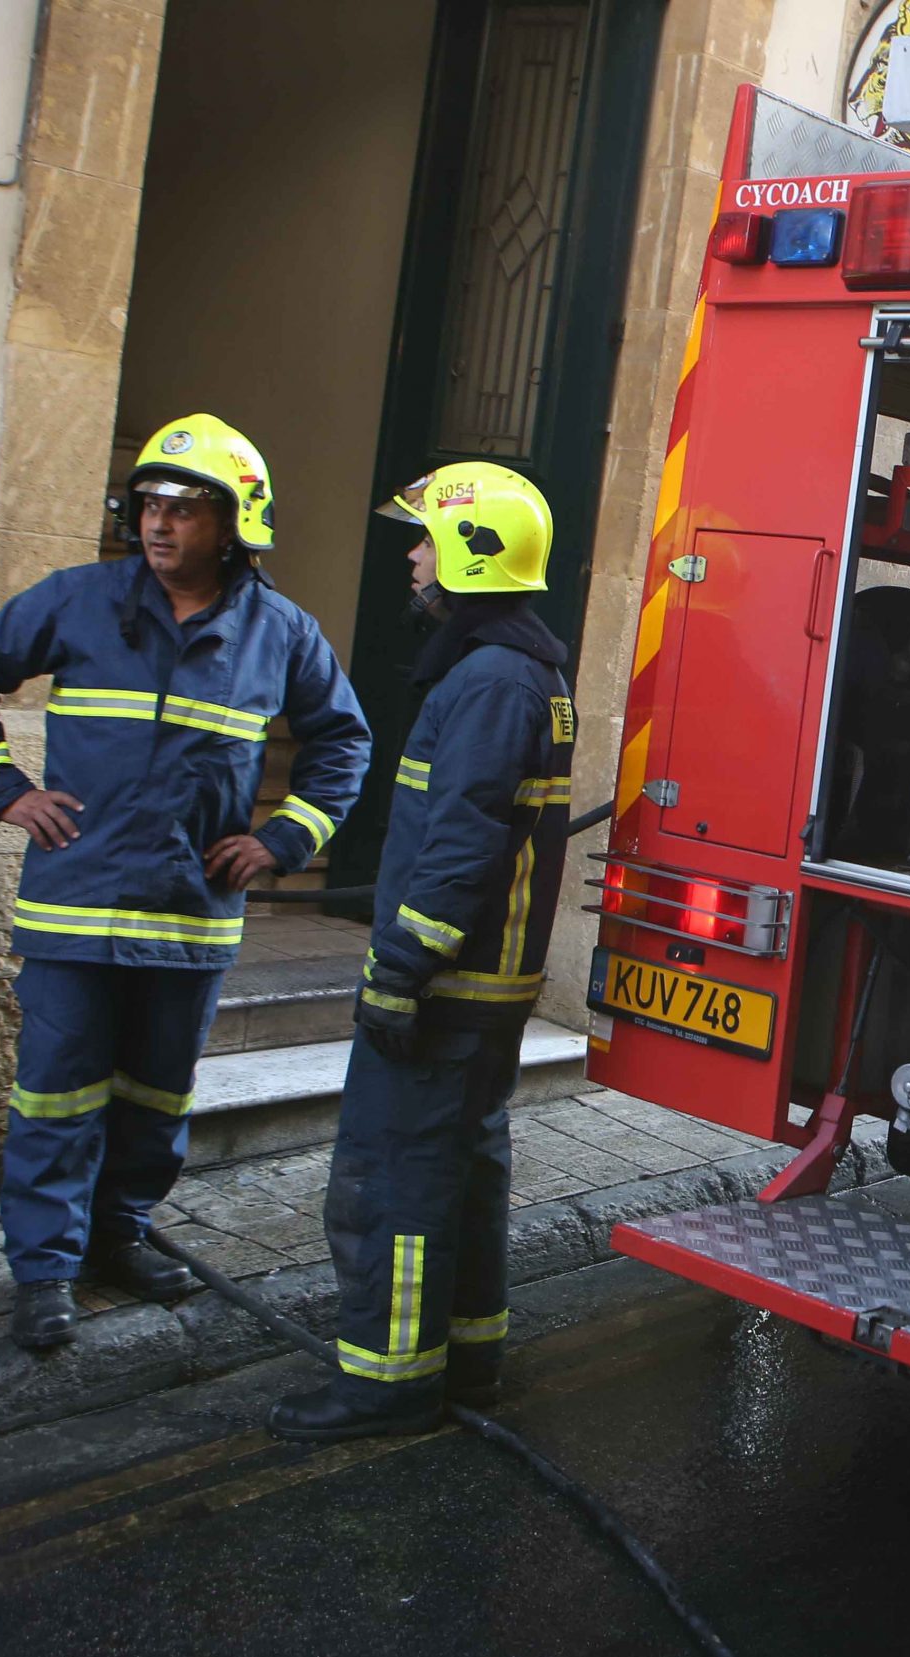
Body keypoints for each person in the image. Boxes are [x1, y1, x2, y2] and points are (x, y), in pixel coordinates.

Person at [0, 414, 371, 1351]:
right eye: (151, 505)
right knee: (55, 1093)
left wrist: (283, 838)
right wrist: (2, 791)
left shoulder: (281, 631)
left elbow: (344, 743)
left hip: (189, 916)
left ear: (237, 522)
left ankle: (118, 1239)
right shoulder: (77, 600)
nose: (160, 525)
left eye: (187, 509)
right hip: (75, 904)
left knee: (157, 1096)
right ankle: (43, 1271)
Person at [268, 462, 575, 1441]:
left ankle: (387, 1383)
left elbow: (462, 841)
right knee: (462, 1170)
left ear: (471, 555)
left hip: (445, 988)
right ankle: (468, 1359)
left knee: (393, 1178)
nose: (410, 556)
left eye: (424, 540)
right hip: (482, 990)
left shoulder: (488, 680)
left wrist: (401, 968)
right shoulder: (518, 672)